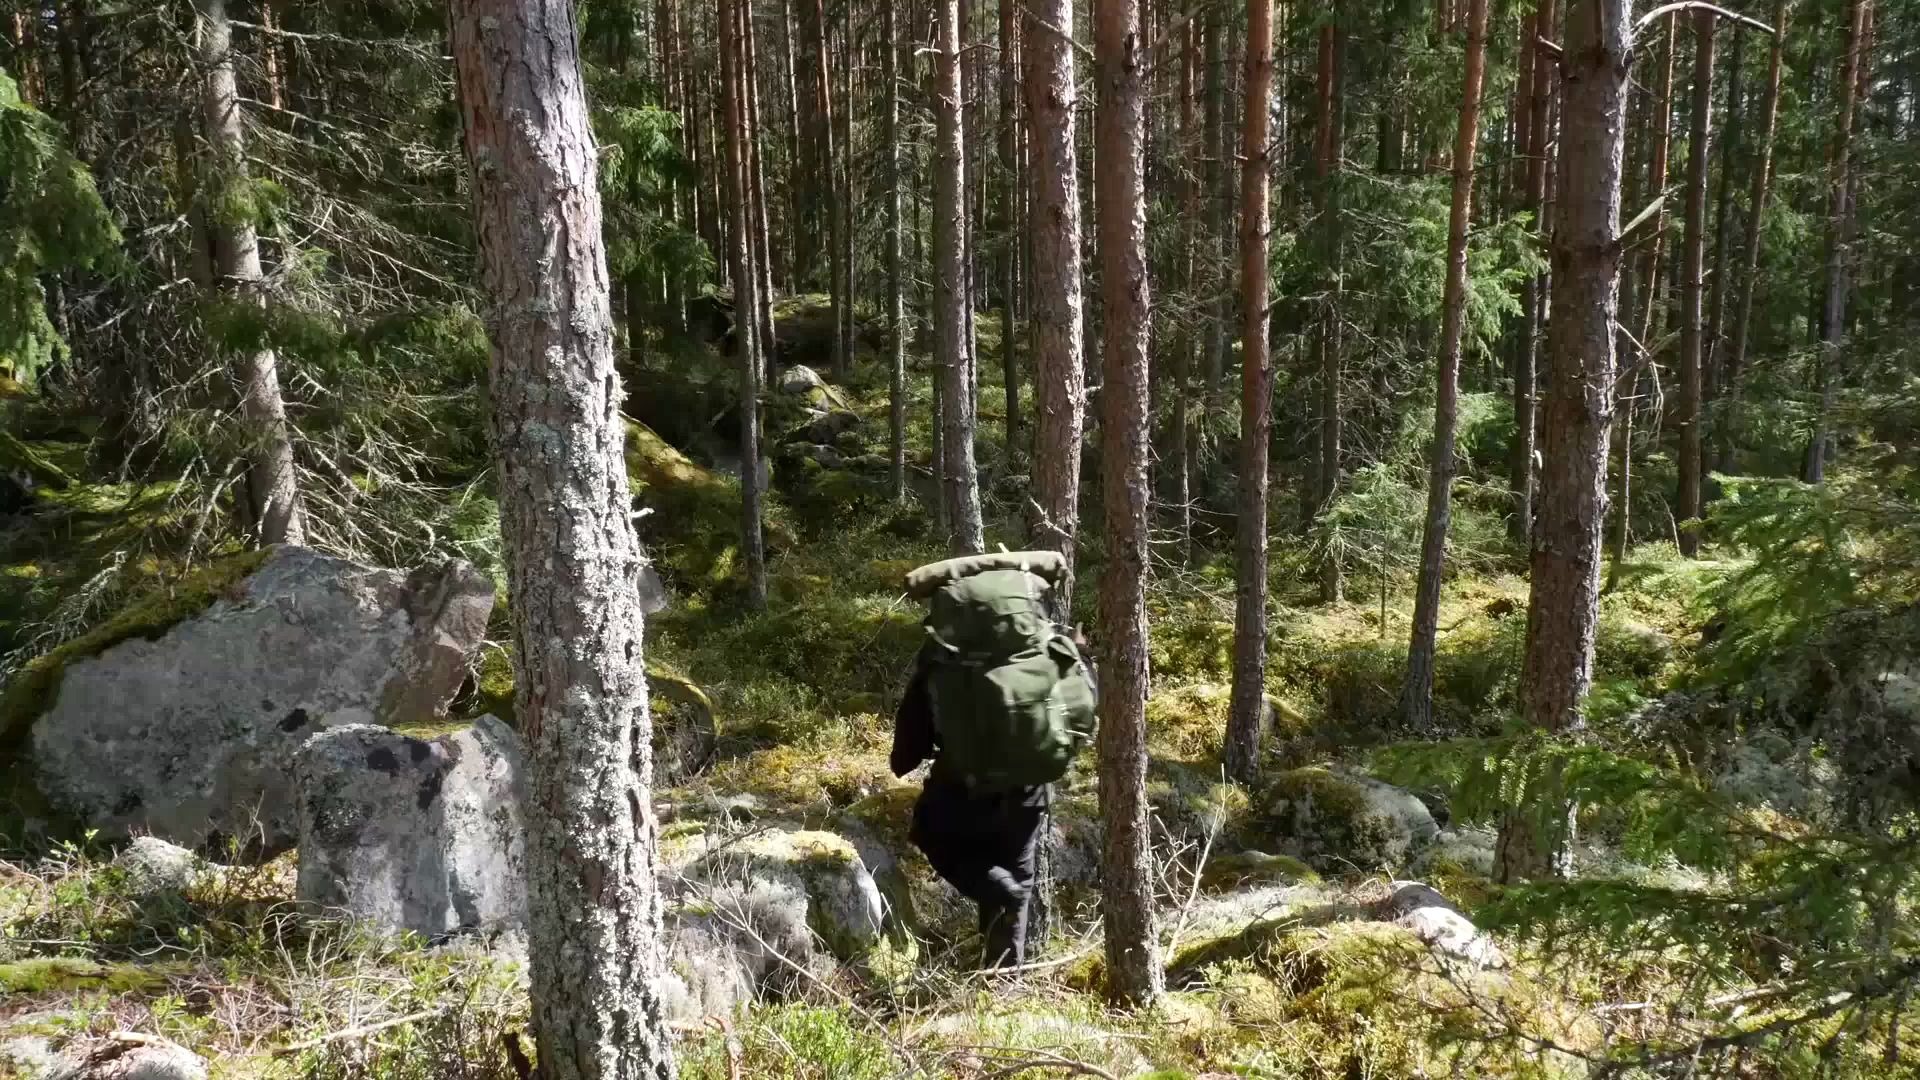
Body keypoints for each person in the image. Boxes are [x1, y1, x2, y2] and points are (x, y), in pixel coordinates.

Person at [889, 552, 1097, 969]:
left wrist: (905, 759)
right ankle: (1004, 975)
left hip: (959, 789)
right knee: (1014, 873)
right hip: (1028, 790)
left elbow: (909, 746)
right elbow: (1084, 706)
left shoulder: (941, 662)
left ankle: (1000, 890)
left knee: (929, 836)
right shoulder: (1046, 647)